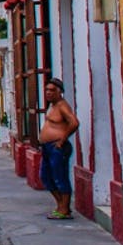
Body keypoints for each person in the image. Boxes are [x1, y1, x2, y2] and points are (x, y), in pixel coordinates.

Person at [40, 77, 80, 219]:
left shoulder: (62, 105)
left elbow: (74, 122)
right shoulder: (53, 106)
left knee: (60, 177)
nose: (48, 93)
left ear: (59, 92)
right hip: (48, 148)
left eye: (52, 90)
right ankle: (61, 206)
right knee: (46, 177)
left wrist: (62, 139)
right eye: (46, 90)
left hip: (58, 148)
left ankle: (64, 210)